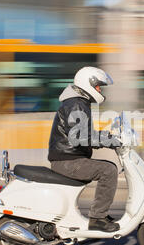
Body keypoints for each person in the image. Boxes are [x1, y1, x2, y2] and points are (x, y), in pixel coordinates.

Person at [48, 66, 121, 232]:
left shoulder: (78, 102)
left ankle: (99, 213)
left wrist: (107, 136)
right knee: (108, 170)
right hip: (67, 161)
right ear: (88, 84)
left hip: (68, 158)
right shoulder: (76, 103)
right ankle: (98, 218)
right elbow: (79, 137)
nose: (100, 90)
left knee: (108, 168)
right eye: (98, 86)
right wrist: (109, 141)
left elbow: (83, 132)